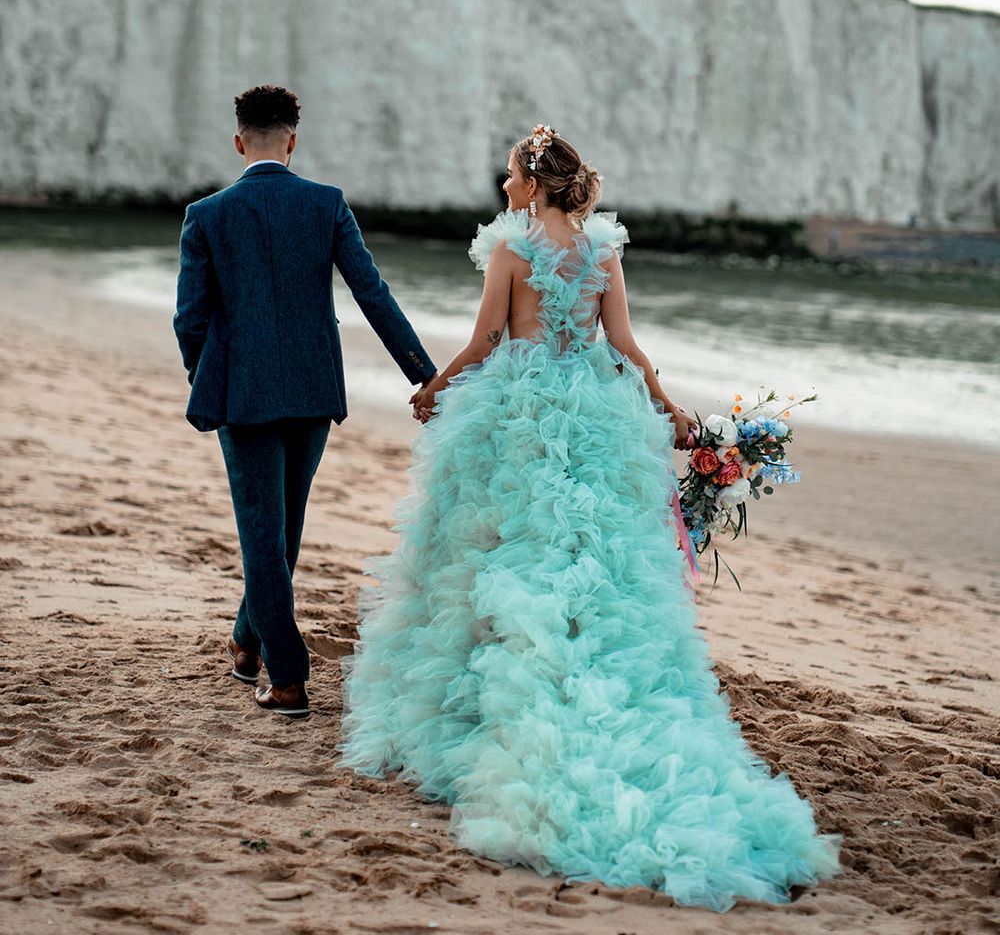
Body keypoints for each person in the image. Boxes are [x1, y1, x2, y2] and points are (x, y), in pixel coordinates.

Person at [336, 125, 842, 910]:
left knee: (499, 551)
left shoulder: (510, 248)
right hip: (596, 414)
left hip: (519, 414)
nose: (505, 185)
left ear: (534, 183)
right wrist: (668, 408)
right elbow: (626, 347)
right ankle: (578, 668)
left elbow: (487, 340)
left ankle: (488, 706)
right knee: (592, 555)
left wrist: (435, 387)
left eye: (512, 175)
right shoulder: (603, 252)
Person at [172, 84, 436, 718]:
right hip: (315, 390)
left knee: (265, 532)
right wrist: (423, 374)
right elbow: (372, 293)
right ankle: (246, 643)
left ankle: (287, 679)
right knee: (281, 529)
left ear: (239, 142)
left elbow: (189, 319)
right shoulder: (326, 203)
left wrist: (207, 377)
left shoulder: (206, 215)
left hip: (244, 395)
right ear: (292, 141)